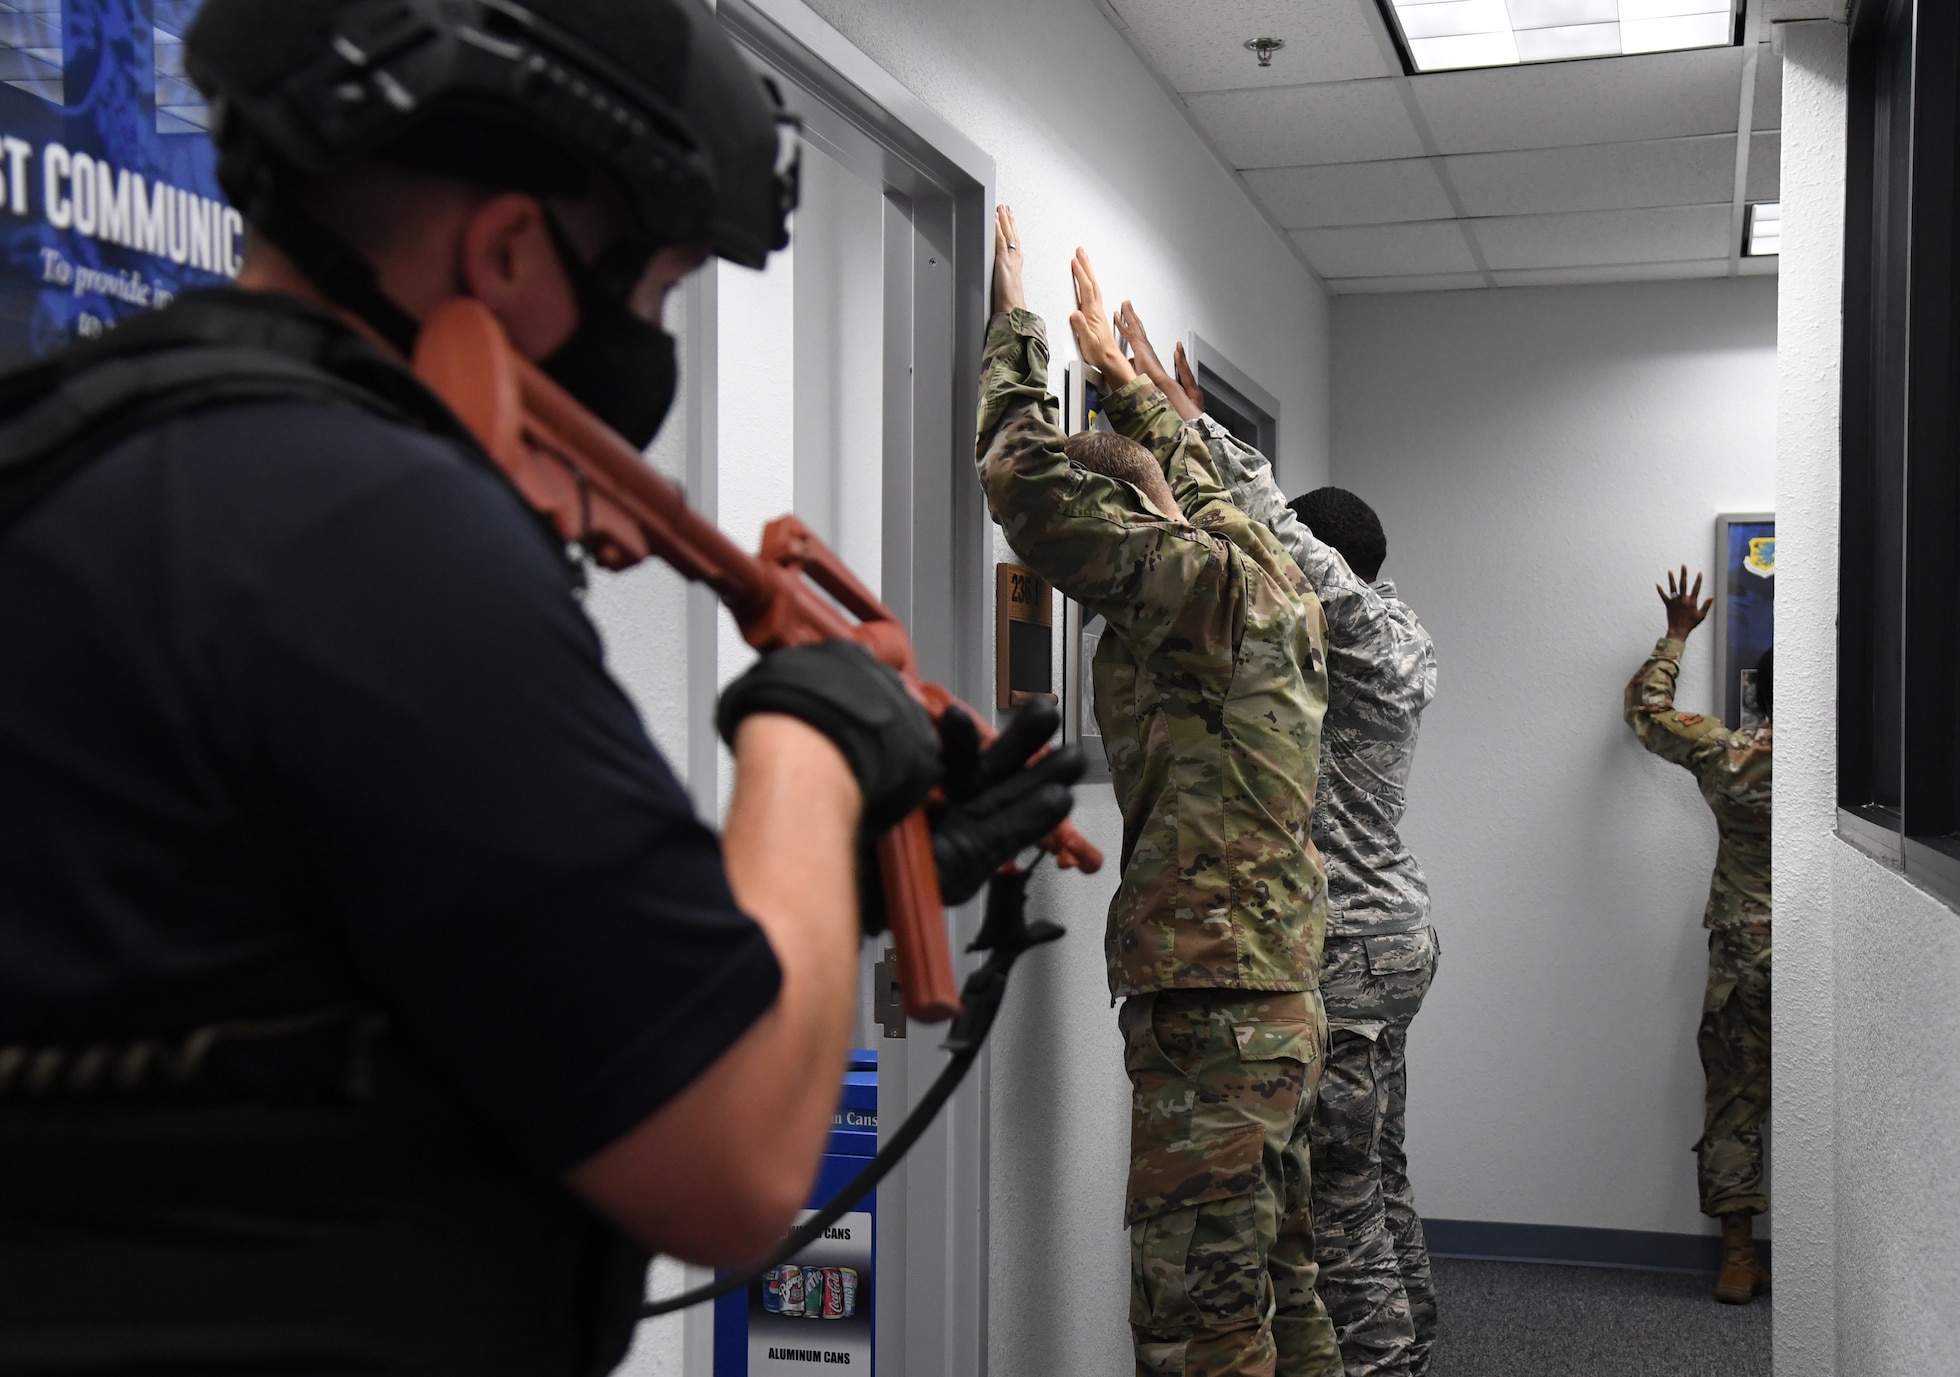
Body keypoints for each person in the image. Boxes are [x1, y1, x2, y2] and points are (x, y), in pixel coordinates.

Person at [0, 3, 1079, 1372]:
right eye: (658, 290)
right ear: (509, 250)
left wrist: (843, 885)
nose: (653, 342)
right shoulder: (372, 528)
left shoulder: (91, 457)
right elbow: (738, 1166)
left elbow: (387, 965)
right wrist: (812, 737)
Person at [978, 205, 1341, 1377]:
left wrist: (1012, 325)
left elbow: (1025, 486)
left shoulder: (1201, 592)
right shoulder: (1273, 580)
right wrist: (1134, 392)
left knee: (1199, 1330)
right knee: (1282, 1291)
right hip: (1272, 1002)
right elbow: (1205, 483)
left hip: (1216, 1013)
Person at [1111, 307, 1442, 1377]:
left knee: (1335, 1199)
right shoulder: (1397, 631)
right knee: (1377, 1170)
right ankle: (1415, 1339)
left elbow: (1280, 543)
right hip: (1390, 938)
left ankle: (1383, 1360)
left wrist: (1179, 432)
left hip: (1340, 946)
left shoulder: (1338, 620)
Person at [1624, 568, 1773, 1305]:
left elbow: (1647, 712)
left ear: (1757, 694)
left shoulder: (1731, 758)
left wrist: (1678, 635)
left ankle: (1738, 1260)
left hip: (1745, 964)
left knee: (1736, 1104)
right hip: (1831, 967)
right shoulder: (1849, 773)